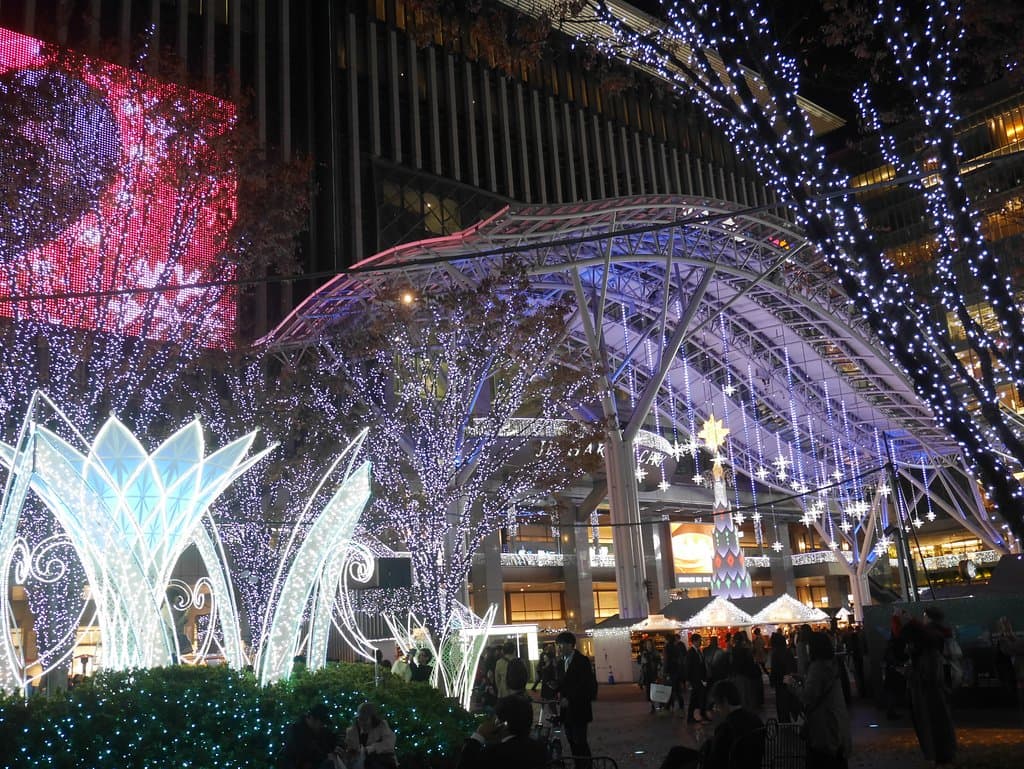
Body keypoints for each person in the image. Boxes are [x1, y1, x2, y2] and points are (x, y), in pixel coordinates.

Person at [658, 679, 763, 769]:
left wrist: (707, 746)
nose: (716, 709)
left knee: (676, 758)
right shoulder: (756, 720)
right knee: (676, 751)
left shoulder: (726, 727)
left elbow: (713, 762)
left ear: (725, 701)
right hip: (747, 763)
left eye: (717, 704)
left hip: (723, 764)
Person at [785, 632, 852, 769]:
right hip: (836, 722)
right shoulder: (832, 664)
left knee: (822, 759)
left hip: (823, 725)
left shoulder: (817, 667)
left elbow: (807, 697)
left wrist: (792, 685)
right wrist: (804, 679)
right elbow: (821, 687)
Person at [904, 610, 957, 769]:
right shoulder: (938, 635)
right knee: (940, 721)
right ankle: (944, 755)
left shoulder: (928, 645)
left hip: (928, 689)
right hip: (934, 688)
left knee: (930, 722)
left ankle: (937, 755)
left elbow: (927, 674)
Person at [456, 694, 547, 769]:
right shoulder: (540, 750)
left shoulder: (492, 755)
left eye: (496, 718)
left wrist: (478, 736)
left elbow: (464, 765)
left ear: (503, 724)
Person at [554, 630, 597, 762]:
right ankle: (578, 764)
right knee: (571, 741)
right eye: (558, 645)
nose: (559, 648)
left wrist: (570, 699)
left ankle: (586, 765)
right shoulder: (561, 663)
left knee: (580, 742)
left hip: (579, 709)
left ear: (569, 645)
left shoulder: (582, 661)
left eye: (561, 645)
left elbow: (586, 686)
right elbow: (563, 683)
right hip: (566, 710)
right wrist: (556, 688)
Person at [276, 703, 342, 769]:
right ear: (312, 719)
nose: (322, 726)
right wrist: (325, 756)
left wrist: (335, 748)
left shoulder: (319, 731)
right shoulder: (296, 732)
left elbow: (331, 740)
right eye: (321, 723)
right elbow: (302, 755)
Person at [344, 701, 397, 769]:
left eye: (365, 719)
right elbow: (350, 749)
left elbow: (389, 744)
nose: (362, 722)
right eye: (360, 719)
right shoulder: (351, 731)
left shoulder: (382, 726)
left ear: (373, 719)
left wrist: (370, 749)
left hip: (381, 762)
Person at [768, 630, 798, 723]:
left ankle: (785, 725)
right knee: (789, 706)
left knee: (782, 709)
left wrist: (773, 680)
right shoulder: (787, 652)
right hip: (789, 682)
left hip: (781, 683)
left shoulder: (776, 654)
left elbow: (774, 670)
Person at [684, 633, 708, 723]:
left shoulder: (699, 651)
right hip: (695, 679)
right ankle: (694, 716)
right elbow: (688, 667)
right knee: (696, 698)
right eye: (699, 640)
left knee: (698, 698)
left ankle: (695, 716)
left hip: (700, 679)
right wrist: (688, 680)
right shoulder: (691, 652)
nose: (700, 642)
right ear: (694, 641)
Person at [639, 637, 663, 713]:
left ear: (652, 645)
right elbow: (642, 664)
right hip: (647, 674)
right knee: (649, 691)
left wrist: (658, 667)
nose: (648, 646)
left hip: (654, 674)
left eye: (649, 644)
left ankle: (659, 705)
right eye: (647, 644)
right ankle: (653, 706)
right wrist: (643, 661)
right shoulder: (644, 653)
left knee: (656, 690)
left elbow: (660, 663)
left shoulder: (655, 653)